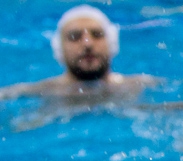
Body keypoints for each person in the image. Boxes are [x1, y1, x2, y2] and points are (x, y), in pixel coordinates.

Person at [0, 5, 156, 103]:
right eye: (75, 37)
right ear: (59, 48)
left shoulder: (141, 86)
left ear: (112, 43)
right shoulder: (34, 92)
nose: (87, 44)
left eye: (97, 35)